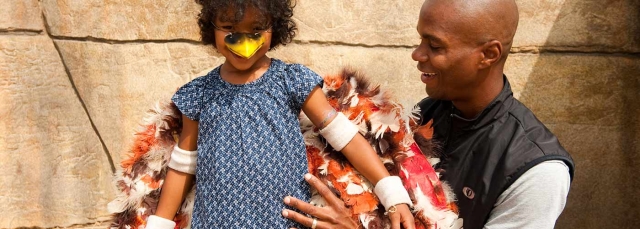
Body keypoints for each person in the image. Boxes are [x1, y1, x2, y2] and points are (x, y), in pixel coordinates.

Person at [282, 0, 575, 228]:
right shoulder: (427, 113)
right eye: (421, 40)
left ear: (488, 55)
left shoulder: (538, 170)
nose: (417, 54)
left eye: (434, 46)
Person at [144, 0, 415, 228]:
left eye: (257, 29)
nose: (244, 41)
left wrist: (391, 193)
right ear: (211, 28)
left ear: (276, 27)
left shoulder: (291, 81)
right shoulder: (199, 93)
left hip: (285, 222)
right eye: (229, 28)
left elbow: (344, 137)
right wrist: (160, 223)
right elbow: (183, 166)